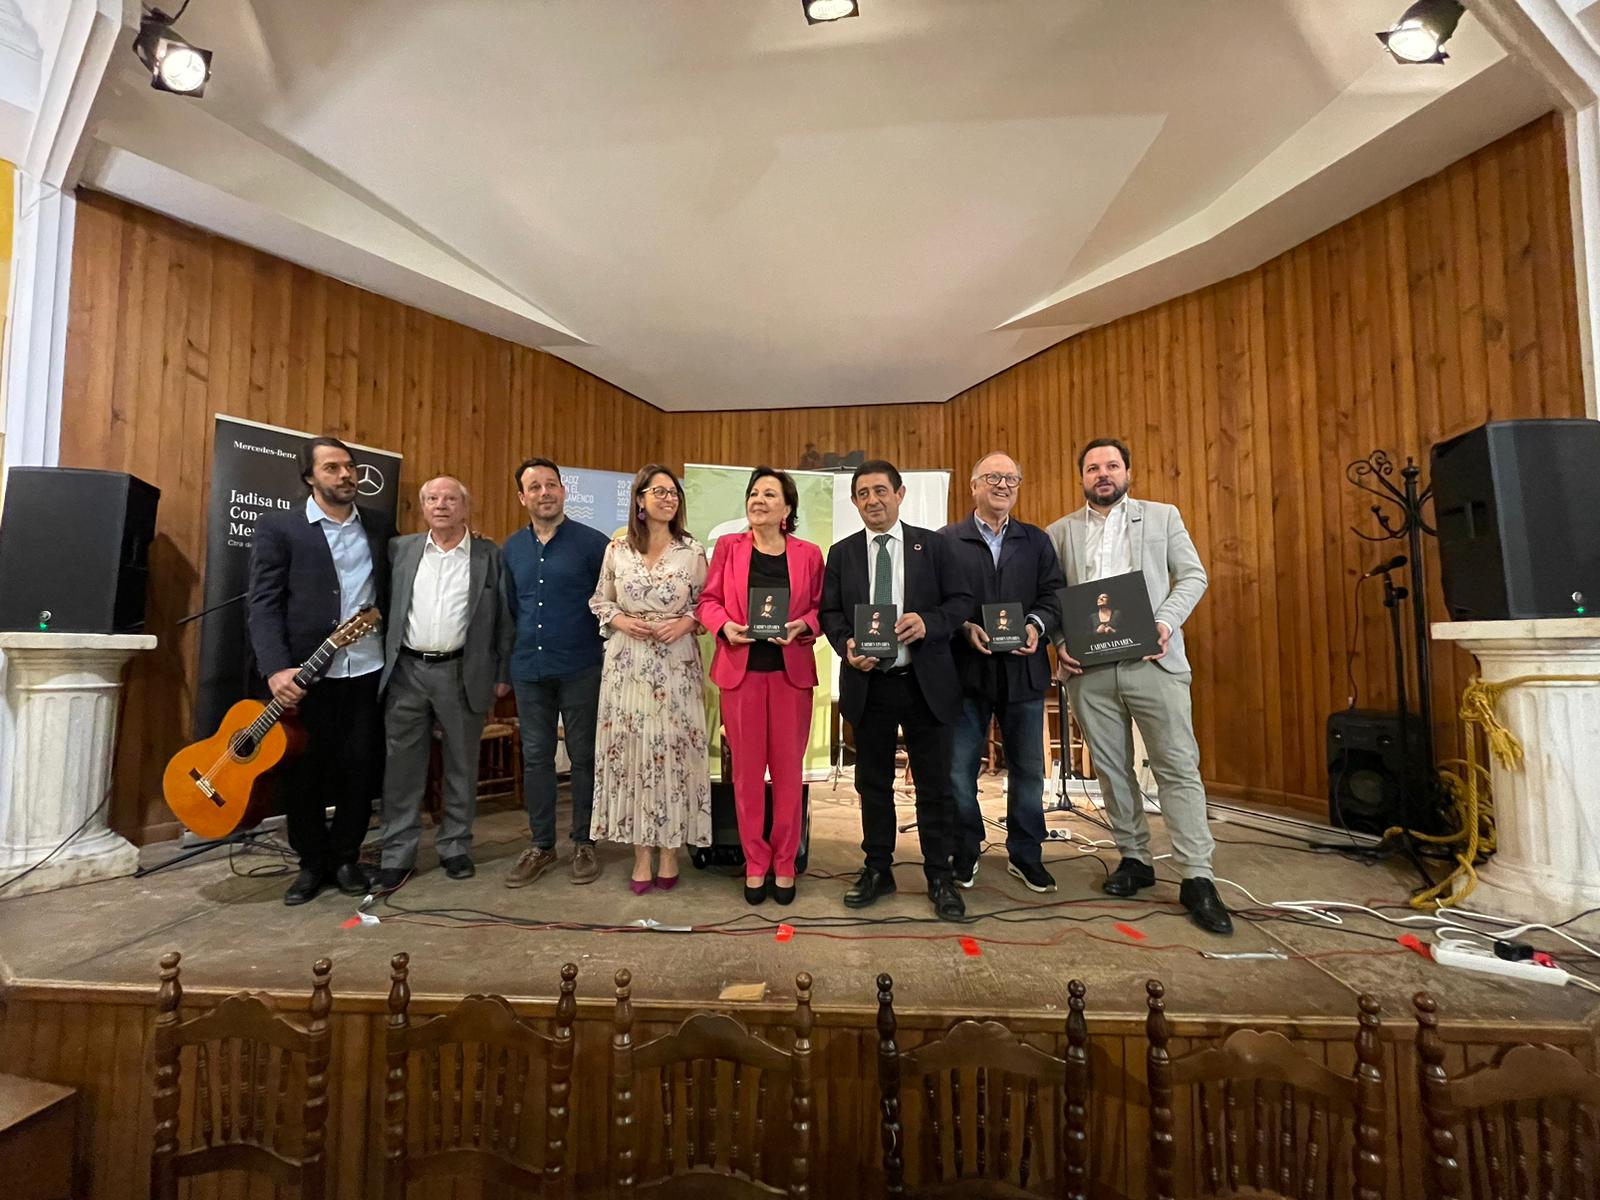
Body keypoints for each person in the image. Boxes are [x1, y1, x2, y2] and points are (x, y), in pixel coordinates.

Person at [1046, 437, 1232, 935]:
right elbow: (1049, 597)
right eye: (1092, 468)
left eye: (1111, 465)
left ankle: (1197, 875)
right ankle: (1134, 858)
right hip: (1089, 671)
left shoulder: (1163, 516)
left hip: (1154, 661)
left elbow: (1192, 576)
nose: (1102, 474)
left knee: (1176, 765)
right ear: (1081, 477)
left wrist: (1165, 623)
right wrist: (1060, 640)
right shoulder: (1059, 532)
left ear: (1128, 471)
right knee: (1111, 768)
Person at [819, 459, 972, 922]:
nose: (873, 500)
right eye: (863, 493)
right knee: (873, 785)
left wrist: (930, 622)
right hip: (870, 685)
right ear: (854, 502)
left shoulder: (936, 546)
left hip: (926, 684)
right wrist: (846, 644)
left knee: (934, 786)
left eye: (881, 490)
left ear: (900, 494)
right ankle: (877, 868)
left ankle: (939, 876)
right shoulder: (842, 553)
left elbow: (962, 601)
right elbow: (829, 613)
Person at [247, 436, 394, 906]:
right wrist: (275, 669)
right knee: (304, 769)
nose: (345, 475)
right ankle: (311, 863)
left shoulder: (378, 526)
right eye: (332, 468)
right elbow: (264, 605)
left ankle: (347, 857)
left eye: (349, 467)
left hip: (366, 668)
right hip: (306, 677)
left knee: (358, 767)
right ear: (310, 477)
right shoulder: (281, 528)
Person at [372, 477, 513, 890]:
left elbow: (504, 620)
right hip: (407, 672)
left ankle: (455, 847)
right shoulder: (401, 550)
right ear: (423, 507)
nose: (441, 505)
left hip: (462, 672)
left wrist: (502, 675)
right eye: (432, 498)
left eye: (451, 499)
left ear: (465, 508)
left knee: (461, 765)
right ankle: (398, 854)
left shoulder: (489, 555)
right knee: (401, 769)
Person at [696, 466, 823, 906]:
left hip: (790, 677)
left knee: (788, 775)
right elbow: (708, 601)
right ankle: (755, 861)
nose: (759, 500)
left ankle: (785, 861)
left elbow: (824, 609)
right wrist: (725, 626)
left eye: (770, 494)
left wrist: (802, 625)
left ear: (787, 508)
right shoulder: (729, 549)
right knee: (747, 776)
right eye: (754, 493)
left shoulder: (809, 554)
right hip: (741, 674)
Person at [941, 452, 1064, 894]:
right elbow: (933, 601)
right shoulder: (946, 540)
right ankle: (966, 849)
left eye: (1012, 478)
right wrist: (962, 626)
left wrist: (1036, 626)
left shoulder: (1036, 541)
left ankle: (1026, 854)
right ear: (973, 486)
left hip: (1023, 671)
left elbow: (1054, 596)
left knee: (1029, 770)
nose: (1003, 485)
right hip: (965, 672)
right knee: (958, 770)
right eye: (993, 477)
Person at [590, 464, 711, 893]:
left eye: (673, 492)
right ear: (639, 500)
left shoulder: (692, 550)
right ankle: (641, 853)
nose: (667, 498)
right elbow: (600, 599)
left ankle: (669, 851)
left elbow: (709, 604)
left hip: (676, 663)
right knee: (635, 756)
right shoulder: (617, 549)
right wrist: (620, 618)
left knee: (674, 754)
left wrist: (687, 623)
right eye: (658, 491)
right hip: (628, 664)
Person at [501, 458, 612, 888]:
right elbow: (509, 611)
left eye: (552, 485)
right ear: (522, 497)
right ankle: (542, 845)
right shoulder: (510, 549)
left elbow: (608, 605)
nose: (544, 493)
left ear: (564, 491)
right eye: (535, 487)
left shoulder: (593, 544)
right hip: (529, 668)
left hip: (581, 666)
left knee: (584, 757)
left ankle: (584, 841)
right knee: (536, 758)